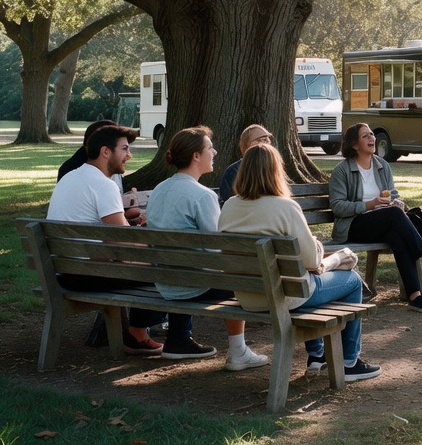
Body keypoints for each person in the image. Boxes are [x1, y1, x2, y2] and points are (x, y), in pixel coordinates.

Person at [219, 144, 381, 381]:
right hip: (287, 297)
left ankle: (318, 355)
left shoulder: (230, 206)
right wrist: (319, 245)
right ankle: (349, 362)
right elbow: (312, 260)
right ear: (276, 171)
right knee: (353, 280)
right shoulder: (285, 207)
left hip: (248, 297)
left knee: (307, 281)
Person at [146, 126, 270, 370]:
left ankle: (178, 339)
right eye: (209, 148)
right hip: (193, 284)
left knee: (191, 263)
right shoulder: (202, 195)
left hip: (164, 281)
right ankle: (238, 351)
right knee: (238, 274)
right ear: (195, 156)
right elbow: (219, 250)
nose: (214, 152)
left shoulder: (159, 189)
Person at [46, 124, 168, 356]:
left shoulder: (70, 177)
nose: (129, 155)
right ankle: (138, 335)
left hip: (66, 271)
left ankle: (137, 334)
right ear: (105, 152)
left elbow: (113, 234)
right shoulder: (104, 185)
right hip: (88, 275)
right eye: (124, 149)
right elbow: (122, 244)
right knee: (166, 269)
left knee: (152, 260)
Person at [328, 122, 422, 314]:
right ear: (354, 144)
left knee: (396, 236)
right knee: (393, 215)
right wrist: (369, 205)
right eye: (365, 136)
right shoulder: (343, 170)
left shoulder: (383, 166)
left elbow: (394, 195)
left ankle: (415, 296)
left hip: (384, 222)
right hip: (354, 226)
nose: (372, 138)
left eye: (372, 134)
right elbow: (338, 207)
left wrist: (398, 203)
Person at [217, 124, 273, 205]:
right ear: (246, 144)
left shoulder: (274, 168)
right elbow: (225, 203)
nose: (265, 143)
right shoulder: (233, 171)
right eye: (260, 140)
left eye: (267, 139)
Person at [57, 119, 120, 184]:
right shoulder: (70, 172)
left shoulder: (111, 163)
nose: (128, 155)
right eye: (123, 148)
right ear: (104, 150)